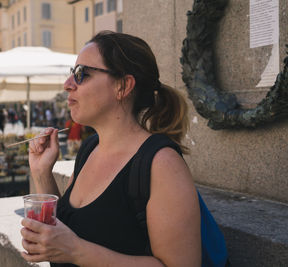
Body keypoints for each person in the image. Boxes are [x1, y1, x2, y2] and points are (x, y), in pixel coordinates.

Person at [21, 31, 228, 267]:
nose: (68, 85)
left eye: (81, 74)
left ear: (123, 86)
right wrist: (41, 173)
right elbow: (67, 230)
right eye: (71, 73)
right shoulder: (90, 148)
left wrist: (78, 252)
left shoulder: (161, 163)